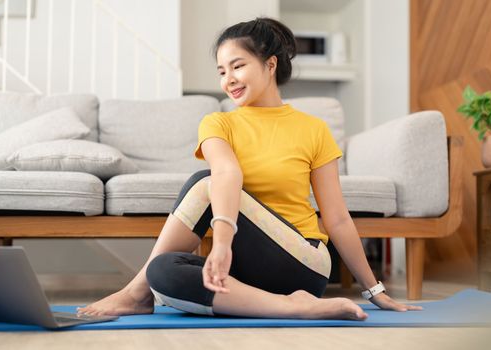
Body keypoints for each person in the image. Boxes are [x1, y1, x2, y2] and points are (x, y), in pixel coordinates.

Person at [78, 17, 421, 320]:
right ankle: (291, 307)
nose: (229, 79)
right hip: (247, 276)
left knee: (203, 182)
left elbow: (337, 219)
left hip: (303, 262)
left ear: (270, 65)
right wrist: (223, 249)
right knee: (163, 272)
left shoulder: (313, 129)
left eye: (238, 66)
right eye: (222, 71)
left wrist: (374, 290)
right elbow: (227, 173)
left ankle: (134, 293)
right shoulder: (217, 123)